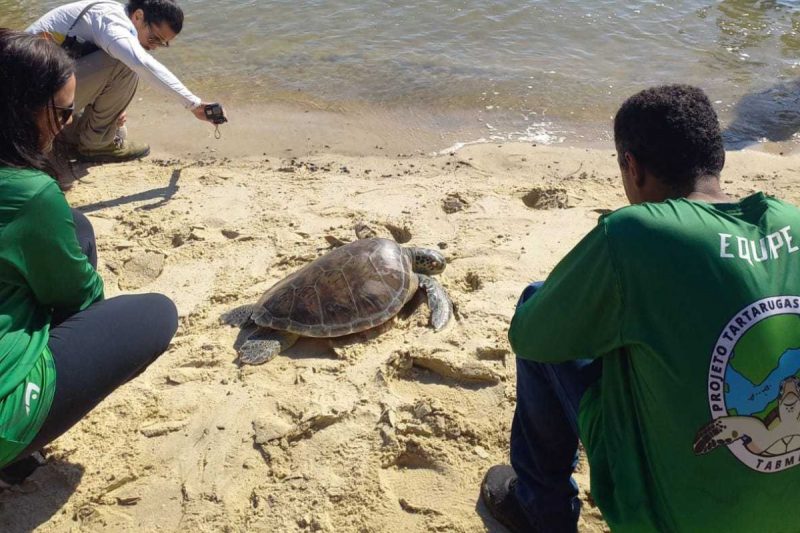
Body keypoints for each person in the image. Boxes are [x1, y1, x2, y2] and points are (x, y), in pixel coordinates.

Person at [481, 84, 800, 532]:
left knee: (539, 301)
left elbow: (531, 333)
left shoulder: (636, 235)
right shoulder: (792, 221)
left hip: (669, 520)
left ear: (632, 166)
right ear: (718, 157)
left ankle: (540, 512)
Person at [0, 29, 178, 487]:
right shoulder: (28, 194)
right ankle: (18, 447)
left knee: (76, 227)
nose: (66, 124)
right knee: (155, 313)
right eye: (63, 114)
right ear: (22, 113)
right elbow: (81, 296)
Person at [26, 0, 222, 163]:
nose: (154, 47)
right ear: (138, 16)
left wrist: (111, 106)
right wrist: (194, 104)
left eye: (163, 44)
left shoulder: (109, 17)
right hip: (29, 103)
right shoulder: (112, 23)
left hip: (32, 97)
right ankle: (95, 146)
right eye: (154, 39)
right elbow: (142, 63)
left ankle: (75, 137)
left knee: (119, 132)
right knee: (126, 63)